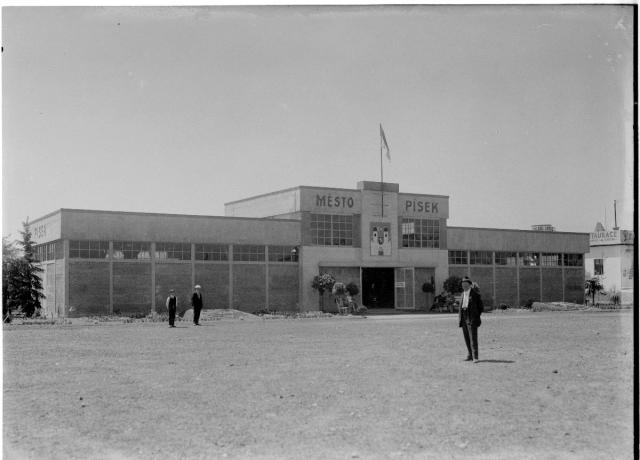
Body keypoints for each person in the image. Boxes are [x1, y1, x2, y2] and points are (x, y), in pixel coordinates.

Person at [458, 276, 484, 363]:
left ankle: (475, 357)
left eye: (465, 284)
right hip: (464, 317)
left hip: (472, 318)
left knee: (473, 338)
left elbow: (481, 307)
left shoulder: (475, 294)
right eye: (462, 284)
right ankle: (470, 355)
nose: (464, 286)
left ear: (470, 285)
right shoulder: (462, 294)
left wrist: (476, 316)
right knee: (466, 337)